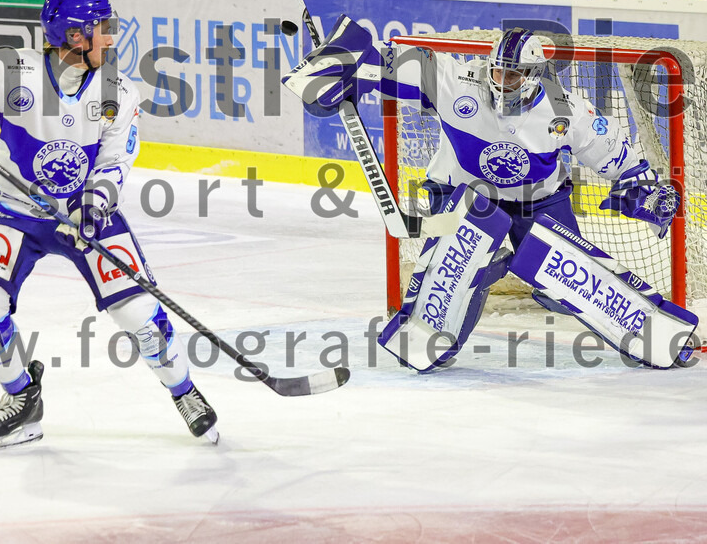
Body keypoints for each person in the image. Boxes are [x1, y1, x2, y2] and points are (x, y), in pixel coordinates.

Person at [0, 0, 218, 451]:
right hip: (14, 212)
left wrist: (93, 205)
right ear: (73, 35)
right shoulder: (10, 67)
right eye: (103, 29)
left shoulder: (118, 91)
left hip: (86, 216)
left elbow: (116, 161)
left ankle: (184, 390)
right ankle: (21, 397)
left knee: (138, 313)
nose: (111, 38)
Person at [283, 24, 686, 371]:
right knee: (468, 248)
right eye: (497, 71)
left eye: (512, 76)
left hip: (537, 200)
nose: (501, 81)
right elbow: (383, 63)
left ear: (532, 75)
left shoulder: (566, 110)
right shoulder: (457, 81)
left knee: (563, 276)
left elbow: (617, 156)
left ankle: (647, 328)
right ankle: (428, 335)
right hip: (463, 190)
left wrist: (644, 192)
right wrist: (339, 66)